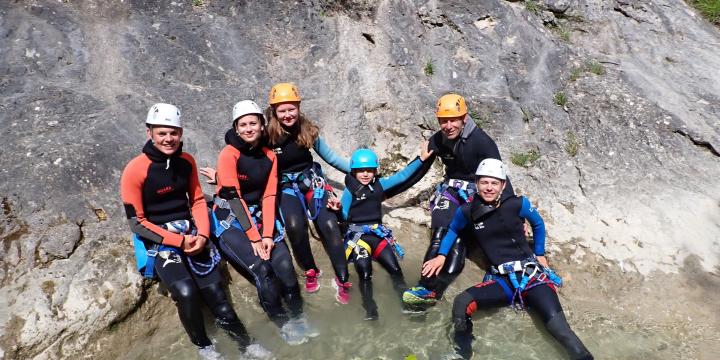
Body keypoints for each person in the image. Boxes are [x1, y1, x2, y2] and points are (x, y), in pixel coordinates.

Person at [120, 103, 269, 359]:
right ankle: (204, 346)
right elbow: (136, 222)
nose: (168, 139)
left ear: (180, 133)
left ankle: (246, 344)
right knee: (186, 292)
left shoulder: (186, 161)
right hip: (161, 239)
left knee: (216, 292)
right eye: (162, 133)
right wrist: (178, 241)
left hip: (191, 232)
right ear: (150, 133)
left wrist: (201, 234)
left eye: (173, 133)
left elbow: (198, 200)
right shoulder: (135, 169)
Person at [421, 159, 593, 360]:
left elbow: (538, 224)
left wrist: (540, 254)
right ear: (476, 183)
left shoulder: (517, 204)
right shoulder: (467, 211)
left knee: (560, 330)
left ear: (503, 185)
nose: (489, 188)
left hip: (532, 278)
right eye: (484, 182)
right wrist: (441, 256)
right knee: (461, 303)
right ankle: (463, 352)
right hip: (503, 281)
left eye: (495, 183)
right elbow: (453, 229)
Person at [210, 100, 318, 345]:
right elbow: (234, 198)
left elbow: (269, 196)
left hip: (260, 218)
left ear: (262, 125)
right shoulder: (229, 154)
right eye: (243, 125)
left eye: (253, 123)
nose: (248, 129)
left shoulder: (269, 155)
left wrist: (268, 234)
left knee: (286, 268)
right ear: (236, 128)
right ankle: (284, 323)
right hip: (231, 220)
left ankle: (300, 317)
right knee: (263, 269)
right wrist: (256, 238)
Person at [403, 93, 515, 305]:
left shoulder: (482, 142)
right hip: (452, 191)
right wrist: (386, 192)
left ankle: (438, 289)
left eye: (453, 119)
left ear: (464, 118)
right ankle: (424, 287)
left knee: (458, 245)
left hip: (477, 193)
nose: (448, 126)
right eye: (443, 121)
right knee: (439, 234)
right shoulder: (439, 139)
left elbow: (500, 177)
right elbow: (418, 171)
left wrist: (511, 209)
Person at [265, 83, 353, 303]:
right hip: (285, 186)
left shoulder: (308, 130)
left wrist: (361, 171)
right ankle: (311, 270)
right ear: (274, 111)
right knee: (294, 226)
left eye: (291, 108)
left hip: (311, 181)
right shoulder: (267, 136)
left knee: (330, 224)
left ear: (298, 106)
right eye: (282, 110)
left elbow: (331, 158)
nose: (287, 114)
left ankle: (342, 277)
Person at [339, 145, 433, 320]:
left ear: (375, 171)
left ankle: (406, 303)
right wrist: (336, 210)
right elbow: (344, 213)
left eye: (369, 170)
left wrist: (421, 160)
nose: (365, 174)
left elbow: (402, 176)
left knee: (395, 269)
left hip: (377, 235)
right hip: (358, 238)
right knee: (365, 273)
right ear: (353, 172)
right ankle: (369, 307)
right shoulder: (349, 190)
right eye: (361, 171)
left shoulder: (380, 185)